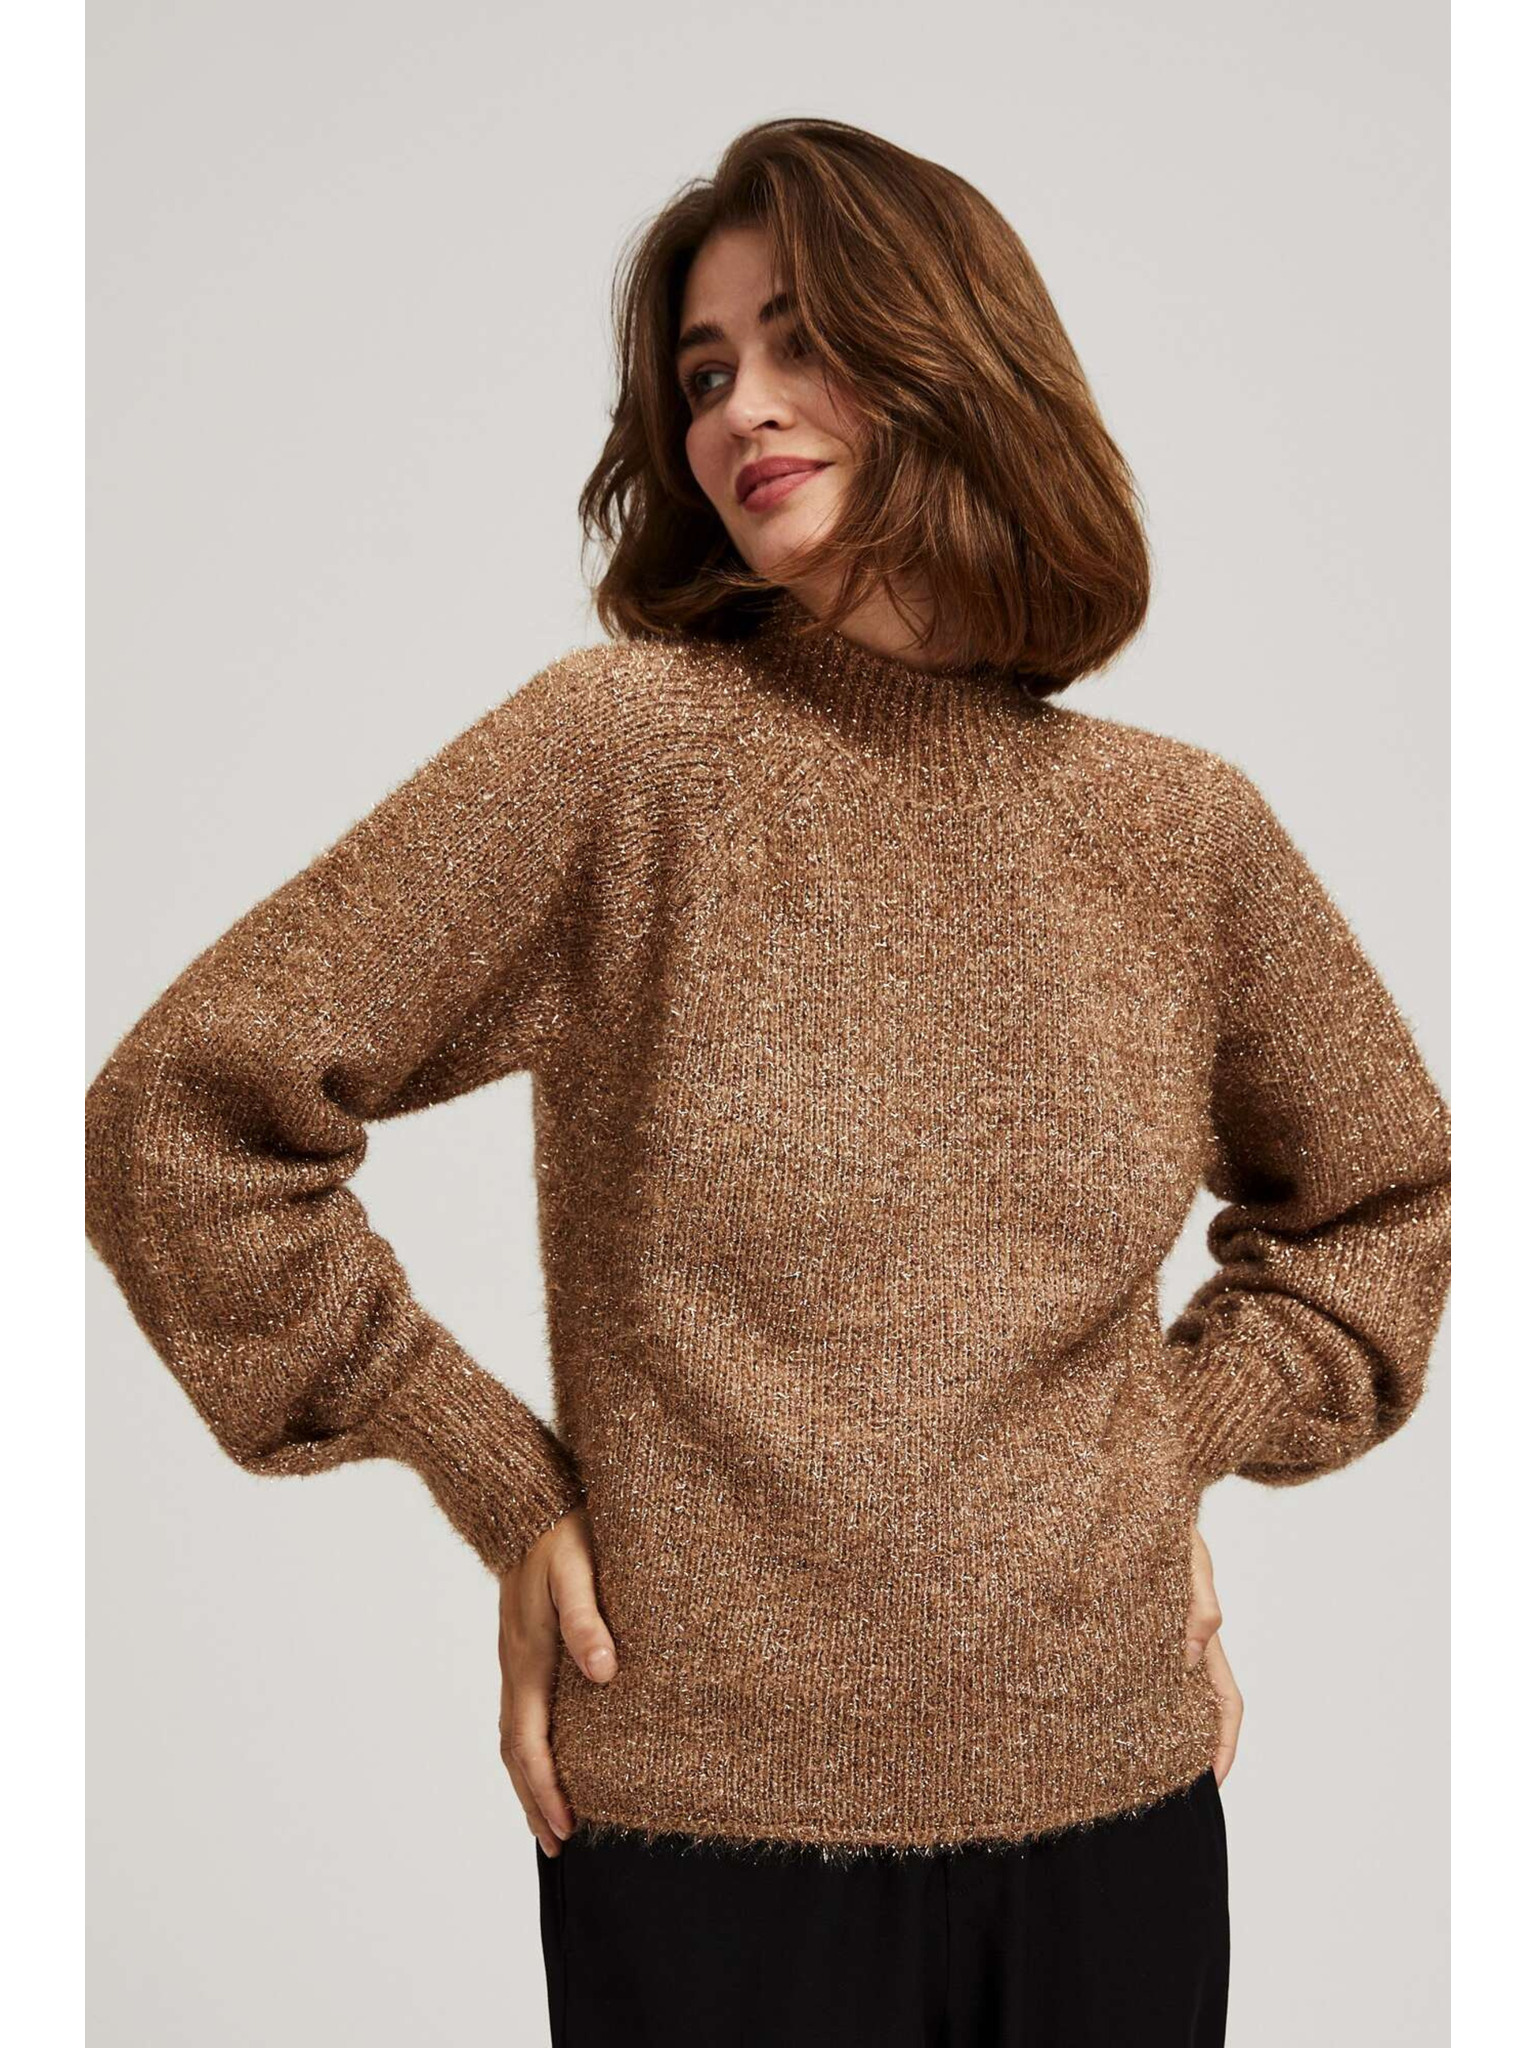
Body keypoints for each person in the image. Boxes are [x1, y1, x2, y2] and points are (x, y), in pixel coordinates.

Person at [84, 118, 1451, 2046]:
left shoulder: (1180, 835)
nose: (741, 408)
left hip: (1118, 1814)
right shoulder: (624, 759)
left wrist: (1163, 1451)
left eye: (803, 340)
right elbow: (181, 1118)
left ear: (954, 358)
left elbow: (1382, 1201)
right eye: (707, 369)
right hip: (703, 1840)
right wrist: (487, 1473)